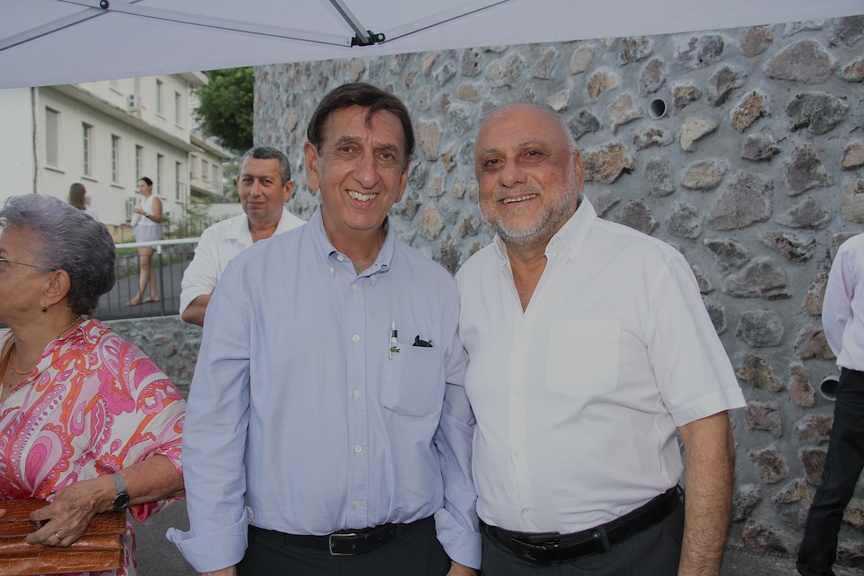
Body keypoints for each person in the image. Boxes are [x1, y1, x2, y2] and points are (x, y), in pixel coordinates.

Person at [168, 82, 479, 576]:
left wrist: (463, 552)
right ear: (313, 165)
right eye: (348, 150)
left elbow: (457, 433)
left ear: (403, 179)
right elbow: (215, 431)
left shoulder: (436, 289)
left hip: (414, 554)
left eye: (386, 156)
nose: (367, 174)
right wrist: (218, 560)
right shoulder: (249, 281)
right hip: (281, 559)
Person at [455, 104, 747, 575]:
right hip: (503, 560)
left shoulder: (648, 269)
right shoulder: (468, 283)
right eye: (492, 163)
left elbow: (708, 435)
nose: (509, 175)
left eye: (532, 154)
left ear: (577, 170)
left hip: (629, 557)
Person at [0, 193, 186, 576]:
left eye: (2, 261)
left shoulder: (109, 363)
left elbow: (196, 452)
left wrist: (101, 492)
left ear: (54, 286)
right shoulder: (5, 344)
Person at [798, 234, 864, 576]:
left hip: (858, 377)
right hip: (859, 380)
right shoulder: (854, 249)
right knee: (837, 480)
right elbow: (835, 316)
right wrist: (850, 360)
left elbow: (837, 318)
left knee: (837, 479)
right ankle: (814, 568)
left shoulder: (855, 249)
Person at [179, 146, 304, 327]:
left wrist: (222, 303)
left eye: (266, 181)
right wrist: (273, 314)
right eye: (247, 180)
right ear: (238, 184)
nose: (254, 191)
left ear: (287, 189)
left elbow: (311, 313)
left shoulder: (307, 242)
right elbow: (191, 307)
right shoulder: (215, 237)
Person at [127, 177, 162, 306]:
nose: (140, 188)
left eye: (143, 186)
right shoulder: (143, 200)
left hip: (150, 232)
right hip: (141, 232)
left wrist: (144, 213)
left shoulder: (155, 199)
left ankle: (139, 296)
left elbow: (158, 218)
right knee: (147, 265)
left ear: (149, 186)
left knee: (144, 264)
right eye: (139, 186)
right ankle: (154, 294)